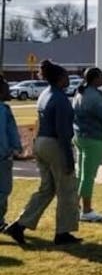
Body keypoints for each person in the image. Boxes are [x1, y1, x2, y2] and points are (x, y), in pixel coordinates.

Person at [3, 60, 81, 246]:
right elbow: (63, 131)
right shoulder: (61, 99)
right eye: (65, 77)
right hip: (55, 143)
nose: (68, 80)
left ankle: (19, 225)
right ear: (59, 78)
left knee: (46, 189)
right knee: (67, 189)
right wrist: (69, 158)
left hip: (41, 142)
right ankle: (63, 232)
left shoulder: (45, 94)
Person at [72, 67, 102, 222]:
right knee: (88, 176)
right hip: (94, 137)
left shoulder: (79, 93)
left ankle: (74, 207)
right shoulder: (95, 96)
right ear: (95, 78)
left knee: (81, 174)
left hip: (80, 136)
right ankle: (86, 209)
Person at [0, 74, 23, 233]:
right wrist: (14, 148)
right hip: (2, 157)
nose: (10, 92)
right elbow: (7, 132)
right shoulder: (4, 110)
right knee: (4, 190)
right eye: (7, 90)